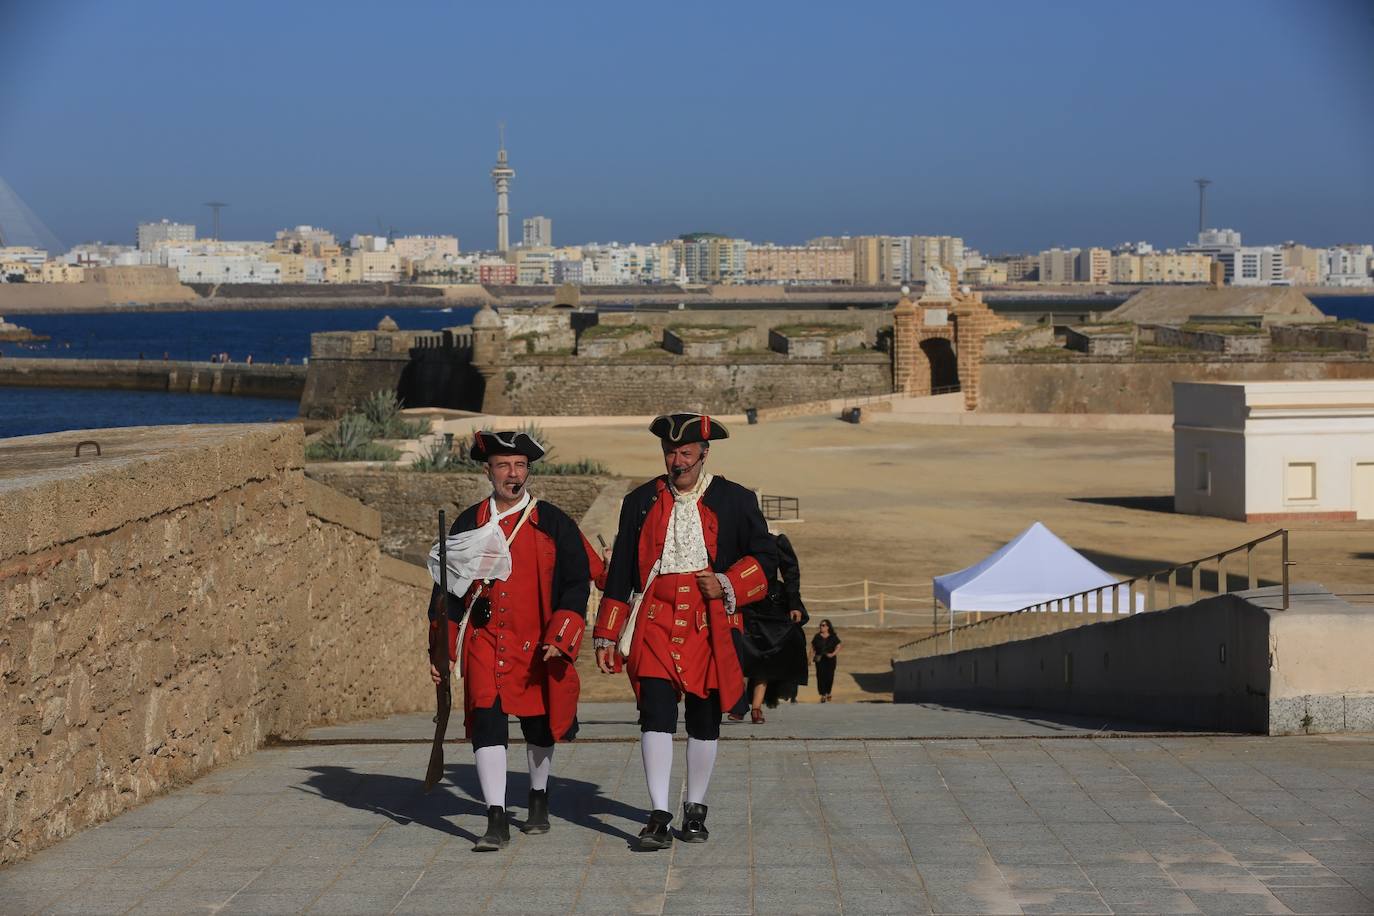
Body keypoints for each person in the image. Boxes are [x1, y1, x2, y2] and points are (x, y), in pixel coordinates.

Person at [593, 412, 776, 850]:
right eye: (671, 452)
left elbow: (766, 558)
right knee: (654, 712)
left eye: (686, 453)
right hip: (653, 617)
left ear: (704, 454)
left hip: (707, 619)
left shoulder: (736, 500)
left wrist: (729, 583)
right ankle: (658, 814)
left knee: (703, 716)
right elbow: (620, 569)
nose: (677, 462)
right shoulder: (639, 500)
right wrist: (607, 634)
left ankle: (695, 808)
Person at [427, 429, 600, 851]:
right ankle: (496, 817)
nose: (514, 474)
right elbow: (445, 593)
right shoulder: (470, 522)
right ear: (488, 472)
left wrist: (562, 635)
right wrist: (440, 650)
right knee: (486, 721)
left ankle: (538, 797)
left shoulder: (554, 522)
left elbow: (578, 582)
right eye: (504, 465)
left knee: (539, 727)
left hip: (537, 642)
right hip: (485, 643)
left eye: (520, 465)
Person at [729, 532, 808, 724]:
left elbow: (791, 573)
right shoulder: (739, 540)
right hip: (745, 604)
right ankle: (739, 704)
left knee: (766, 659)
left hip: (773, 608)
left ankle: (756, 708)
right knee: (739, 656)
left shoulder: (776, 542)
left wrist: (794, 604)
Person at [812, 619, 842, 702]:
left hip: (830, 659)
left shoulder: (833, 636)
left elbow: (839, 646)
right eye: (821, 625)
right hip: (819, 658)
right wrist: (809, 658)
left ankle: (828, 692)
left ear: (828, 627)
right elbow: (813, 648)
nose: (821, 627)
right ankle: (823, 694)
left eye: (823, 625)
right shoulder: (817, 636)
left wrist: (833, 654)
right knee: (820, 677)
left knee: (829, 676)